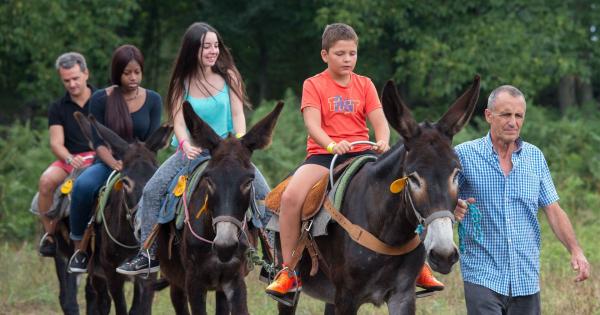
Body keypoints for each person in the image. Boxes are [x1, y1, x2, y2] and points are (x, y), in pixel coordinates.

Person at [265, 23, 444, 298]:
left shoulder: (365, 84)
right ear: (325, 55)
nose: (348, 59)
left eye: (352, 53)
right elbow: (312, 124)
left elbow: (380, 121)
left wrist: (383, 139)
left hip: (364, 154)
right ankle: (288, 270)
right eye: (340, 54)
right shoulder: (313, 84)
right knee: (290, 198)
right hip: (324, 156)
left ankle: (416, 264)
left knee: (409, 190)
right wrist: (332, 143)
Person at [116, 22, 270, 275]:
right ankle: (148, 254)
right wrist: (185, 144)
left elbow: (238, 114)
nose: (212, 51)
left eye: (215, 45)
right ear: (192, 50)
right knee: (153, 191)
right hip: (193, 151)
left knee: (266, 196)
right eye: (205, 47)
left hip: (228, 153)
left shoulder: (229, 76)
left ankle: (272, 261)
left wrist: (240, 144)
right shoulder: (181, 82)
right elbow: (177, 119)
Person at [453, 85, 590, 314]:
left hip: (525, 277)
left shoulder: (534, 157)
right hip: (482, 274)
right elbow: (437, 199)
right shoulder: (464, 155)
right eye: (506, 114)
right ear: (489, 116)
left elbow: (553, 210)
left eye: (518, 116)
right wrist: (452, 206)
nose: (513, 122)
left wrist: (576, 250)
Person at [67, 44, 162, 273]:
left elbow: (153, 142)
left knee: (172, 193)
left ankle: (165, 252)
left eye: (137, 72)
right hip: (109, 162)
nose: (133, 77)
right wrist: (115, 164)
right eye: (127, 73)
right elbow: (97, 141)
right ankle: (81, 248)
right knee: (82, 186)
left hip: (143, 165)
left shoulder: (154, 100)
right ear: (117, 72)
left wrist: (138, 165)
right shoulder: (101, 99)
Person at [37, 52, 96, 257]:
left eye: (75, 78)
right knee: (45, 181)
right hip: (71, 158)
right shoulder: (58, 107)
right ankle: (50, 235)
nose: (71, 84)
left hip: (99, 157)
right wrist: (70, 158)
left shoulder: (102, 100)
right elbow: (56, 143)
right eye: (66, 80)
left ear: (86, 73)